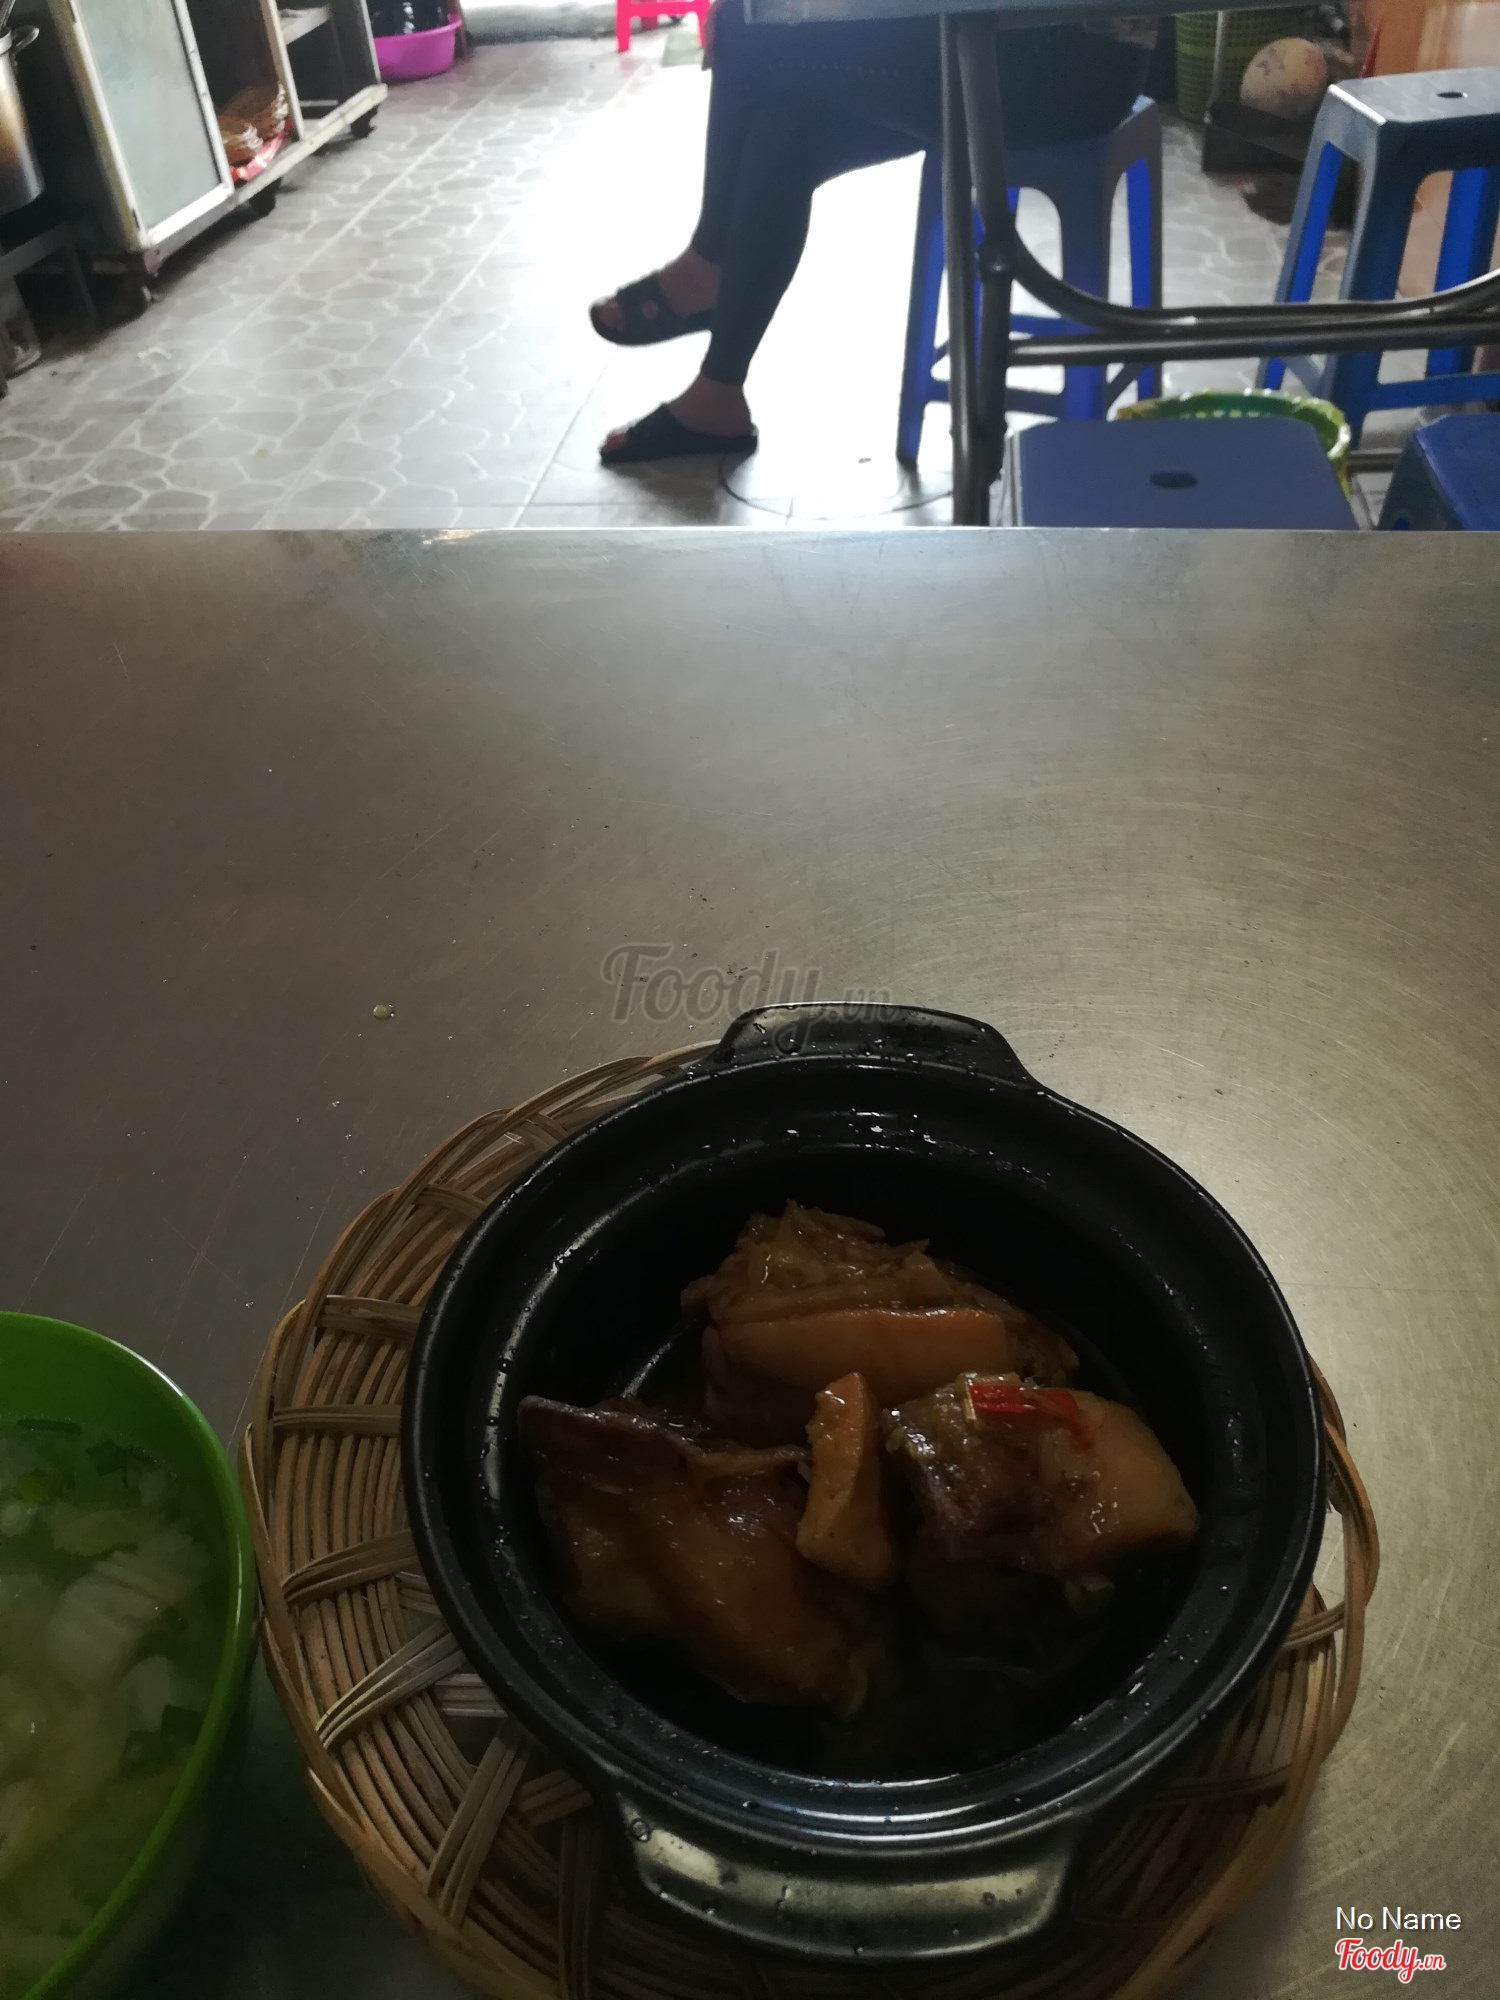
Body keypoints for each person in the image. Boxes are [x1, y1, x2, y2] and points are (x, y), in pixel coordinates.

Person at [590, 0, 1157, 464]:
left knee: (749, 29)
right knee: (783, 125)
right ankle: (718, 394)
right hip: (999, 36)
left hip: (1067, 61)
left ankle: (710, 263)